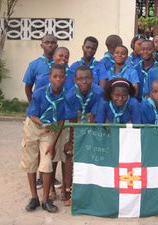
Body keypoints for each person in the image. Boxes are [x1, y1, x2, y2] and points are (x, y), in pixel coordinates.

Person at [21, 63, 66, 213]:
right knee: (31, 161)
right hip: (34, 126)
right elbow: (32, 115)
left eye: (61, 76)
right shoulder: (40, 93)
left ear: (65, 78)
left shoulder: (65, 96)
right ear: (50, 78)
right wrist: (43, 124)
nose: (58, 79)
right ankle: (34, 197)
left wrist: (53, 142)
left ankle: (46, 200)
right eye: (55, 76)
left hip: (49, 130)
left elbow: (60, 122)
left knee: (47, 163)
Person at [63, 66, 103, 206]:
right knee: (69, 153)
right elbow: (72, 120)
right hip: (76, 124)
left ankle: (93, 188)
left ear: (92, 79)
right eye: (80, 79)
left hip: (93, 125)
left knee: (93, 154)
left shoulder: (99, 93)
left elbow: (96, 117)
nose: (84, 81)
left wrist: (91, 138)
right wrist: (72, 141)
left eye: (87, 78)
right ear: (75, 80)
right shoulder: (70, 95)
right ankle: (67, 188)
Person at [23, 34, 58, 102]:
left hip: (58, 105)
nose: (50, 45)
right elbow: (28, 88)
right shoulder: (34, 65)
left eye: (53, 43)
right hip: (40, 105)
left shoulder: (62, 64)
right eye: (47, 42)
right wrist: (33, 105)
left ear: (56, 46)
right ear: (42, 46)